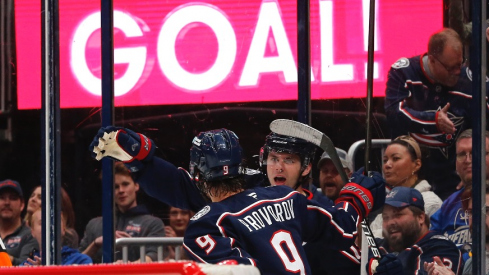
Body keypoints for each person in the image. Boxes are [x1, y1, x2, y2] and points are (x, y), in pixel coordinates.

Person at [89, 127, 385, 274]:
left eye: (289, 160)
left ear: (306, 167)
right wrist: (143, 163)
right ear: (259, 160)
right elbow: (184, 188)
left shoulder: (213, 218)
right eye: (273, 159)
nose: (278, 168)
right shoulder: (284, 197)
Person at [384, 27, 488, 200]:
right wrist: (433, 121)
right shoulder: (403, 72)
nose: (457, 71)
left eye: (460, 64)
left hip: (453, 182)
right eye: (450, 68)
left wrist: (476, 173)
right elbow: (394, 113)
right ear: (432, 59)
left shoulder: (470, 81)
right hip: (408, 180)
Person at [79, 162, 165, 263]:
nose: (121, 190)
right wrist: (95, 244)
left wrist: (124, 269)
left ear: (136, 185)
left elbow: (153, 256)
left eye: (125, 184)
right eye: (115, 187)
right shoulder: (94, 225)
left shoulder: (153, 224)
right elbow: (76, 263)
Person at [368, 186, 463, 275]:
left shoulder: (440, 247)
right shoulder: (377, 246)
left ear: (420, 217)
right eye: (385, 217)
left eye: (398, 215)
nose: (390, 222)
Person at [370, 135, 442, 237]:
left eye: (395, 158)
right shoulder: (385, 205)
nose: (387, 165)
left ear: (417, 164)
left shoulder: (431, 202)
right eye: (385, 160)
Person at [430, 129, 489, 246]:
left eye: (475, 152)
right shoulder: (448, 204)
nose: (468, 160)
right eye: (462, 154)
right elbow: (433, 245)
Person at [20, 209, 92, 266]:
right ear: (32, 232)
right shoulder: (26, 266)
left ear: (63, 229)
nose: (49, 226)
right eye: (42, 223)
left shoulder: (81, 261)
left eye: (54, 221)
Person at [0, 179, 38, 265]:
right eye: (1, 198)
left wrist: (3, 257)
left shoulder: (31, 235)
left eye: (13, 198)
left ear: (22, 204)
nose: (7, 203)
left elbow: (27, 265)